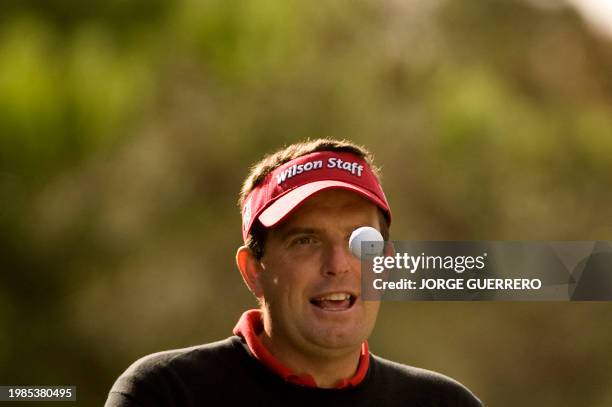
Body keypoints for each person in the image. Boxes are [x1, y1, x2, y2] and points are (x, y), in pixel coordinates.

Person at [105, 139, 483, 406]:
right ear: (253, 270)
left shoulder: (444, 403)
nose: (338, 264)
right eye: (305, 241)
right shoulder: (166, 393)